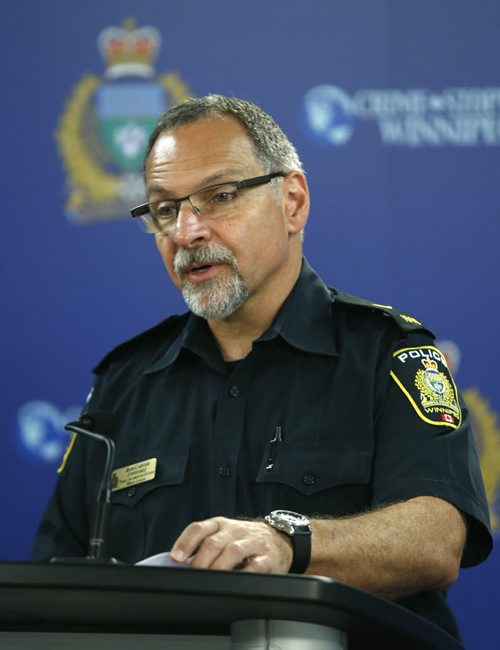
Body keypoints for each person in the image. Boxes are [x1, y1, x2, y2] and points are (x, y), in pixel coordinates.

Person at [32, 95, 491, 639]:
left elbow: (435, 542)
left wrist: (287, 544)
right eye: (163, 209)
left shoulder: (389, 354)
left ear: (293, 202)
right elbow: (54, 581)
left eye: (219, 196)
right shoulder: (123, 385)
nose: (186, 232)